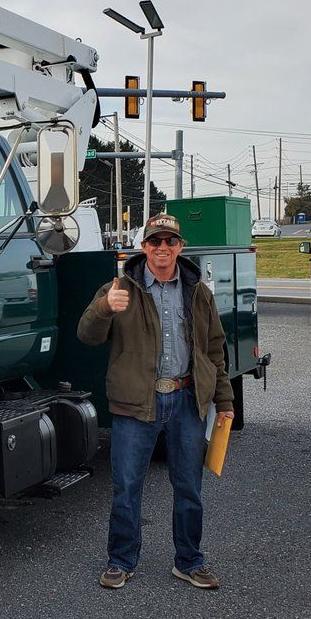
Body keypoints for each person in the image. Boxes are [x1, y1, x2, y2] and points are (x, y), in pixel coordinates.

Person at [77, 212, 235, 590]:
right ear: (143, 246)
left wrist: (225, 400)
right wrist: (103, 308)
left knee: (189, 487)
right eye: (154, 242)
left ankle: (189, 560)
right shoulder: (118, 288)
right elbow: (87, 335)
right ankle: (121, 560)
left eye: (170, 242)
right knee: (128, 486)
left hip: (186, 400)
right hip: (135, 403)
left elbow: (215, 350)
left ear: (180, 247)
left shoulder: (199, 293)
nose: (162, 248)